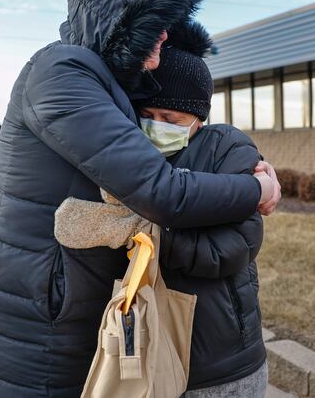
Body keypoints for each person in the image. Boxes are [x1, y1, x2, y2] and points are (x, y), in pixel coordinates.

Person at [0, 0, 281, 396]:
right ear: (116, 17)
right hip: (39, 315)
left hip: (72, 310)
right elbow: (162, 192)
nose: (166, 35)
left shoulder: (103, 81)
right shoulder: (62, 72)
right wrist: (260, 189)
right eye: (156, 21)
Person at [56, 45, 273, 397]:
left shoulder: (227, 147)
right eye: (148, 114)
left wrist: (143, 232)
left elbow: (231, 249)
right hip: (144, 347)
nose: (157, 126)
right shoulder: (127, 155)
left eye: (171, 120)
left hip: (221, 359)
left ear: (199, 119)